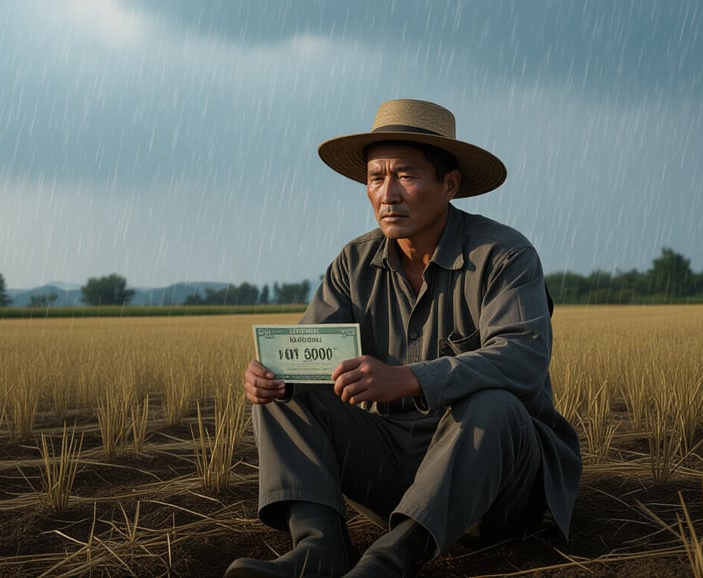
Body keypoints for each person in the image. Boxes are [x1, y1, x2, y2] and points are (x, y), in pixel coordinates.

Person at [225, 99, 582, 578]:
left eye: (406, 176)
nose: (387, 194)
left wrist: (409, 378)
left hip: (498, 484)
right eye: (376, 177)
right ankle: (318, 549)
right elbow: (307, 353)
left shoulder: (504, 255)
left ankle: (390, 561)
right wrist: (269, 375)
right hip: (396, 472)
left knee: (494, 405)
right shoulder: (355, 263)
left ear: (449, 184)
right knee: (287, 389)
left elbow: (522, 360)